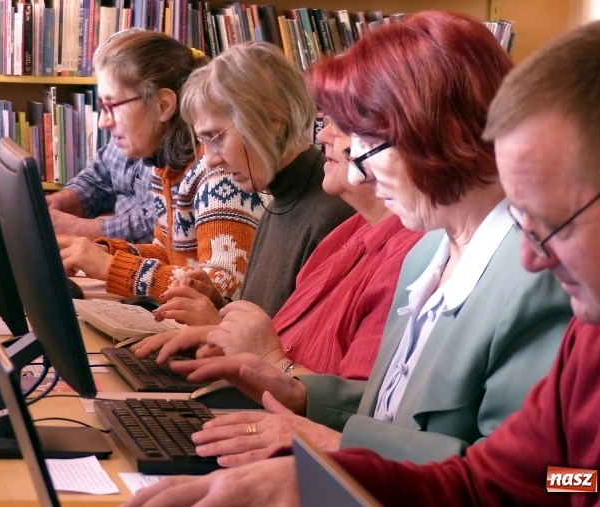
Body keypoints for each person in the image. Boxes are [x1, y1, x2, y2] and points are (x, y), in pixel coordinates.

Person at [124, 16, 600, 506]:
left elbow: (582, 487)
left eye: (553, 224)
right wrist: (311, 480)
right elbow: (511, 482)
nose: (530, 259)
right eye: (525, 224)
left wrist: (330, 459)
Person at [158, 10, 571, 468]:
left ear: (435, 133)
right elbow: (396, 418)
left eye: (366, 146)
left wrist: (333, 445)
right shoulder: (424, 256)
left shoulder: (537, 280)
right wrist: (301, 394)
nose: (355, 171)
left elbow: (542, 479)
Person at [131, 116, 423, 380]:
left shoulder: (405, 257)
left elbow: (355, 412)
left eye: (343, 123)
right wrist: (223, 333)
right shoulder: (350, 230)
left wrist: (259, 354)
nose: (323, 135)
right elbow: (281, 340)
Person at [57, 29, 264, 299]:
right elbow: (170, 256)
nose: (103, 122)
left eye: (112, 106)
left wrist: (109, 266)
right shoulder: (166, 168)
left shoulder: (218, 173)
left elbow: (221, 289)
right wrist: (104, 251)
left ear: (163, 105)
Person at [172, 41, 355, 318]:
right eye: (203, 141)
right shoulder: (279, 196)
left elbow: (291, 354)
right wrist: (216, 306)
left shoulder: (330, 214)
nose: (209, 159)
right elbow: (270, 327)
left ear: (271, 119)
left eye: (216, 138)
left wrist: (213, 327)